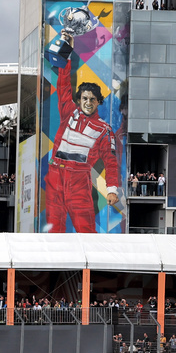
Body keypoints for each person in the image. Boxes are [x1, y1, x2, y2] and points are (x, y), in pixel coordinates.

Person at [45, 32, 121, 233]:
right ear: (79, 100)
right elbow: (63, 84)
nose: (88, 102)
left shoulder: (104, 130)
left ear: (98, 102)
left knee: (86, 230)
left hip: (78, 180)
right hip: (55, 176)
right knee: (53, 230)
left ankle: (91, 265)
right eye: (85, 98)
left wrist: (112, 190)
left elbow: (110, 162)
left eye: (92, 99)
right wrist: (67, 50)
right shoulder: (69, 112)